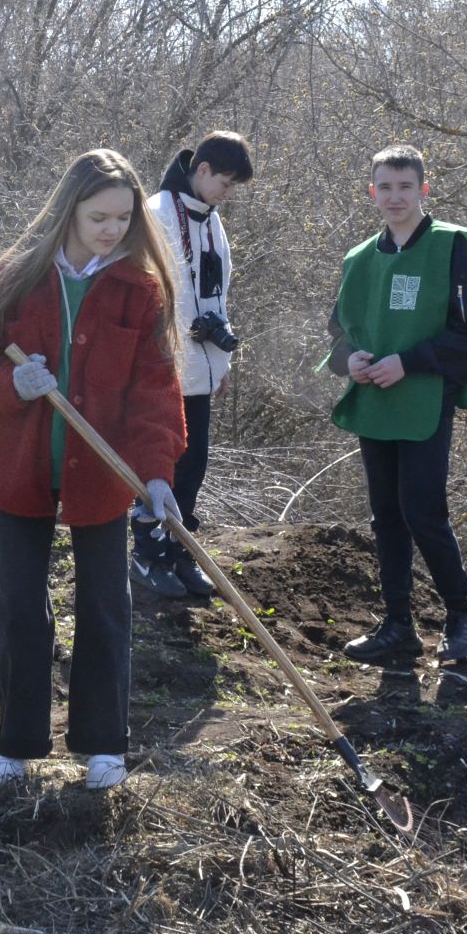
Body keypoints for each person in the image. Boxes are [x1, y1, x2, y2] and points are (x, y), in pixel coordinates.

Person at [0, 149, 186, 793]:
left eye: (122, 218)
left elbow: (154, 393)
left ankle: (104, 743)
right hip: (19, 468)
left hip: (103, 473)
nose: (112, 230)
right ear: (69, 210)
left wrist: (158, 472)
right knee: (21, 608)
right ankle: (17, 743)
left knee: (106, 605)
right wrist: (13, 382)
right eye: (98, 218)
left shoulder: (140, 291)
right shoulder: (16, 276)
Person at [323, 144, 467, 665]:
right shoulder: (359, 257)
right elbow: (339, 331)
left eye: (405, 186)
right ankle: (398, 625)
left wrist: (411, 361)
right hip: (374, 400)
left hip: (424, 397)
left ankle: (461, 616)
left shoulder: (453, 246)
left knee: (423, 510)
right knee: (386, 515)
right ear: (372, 192)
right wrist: (349, 361)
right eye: (385, 187)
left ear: (424, 188)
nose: (395, 197)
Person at [136, 131, 255, 598]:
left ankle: (180, 553)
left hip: (200, 370)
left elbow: (216, 297)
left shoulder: (210, 219)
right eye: (225, 182)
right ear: (201, 170)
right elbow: (151, 298)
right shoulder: (157, 214)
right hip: (161, 368)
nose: (228, 193)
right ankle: (148, 556)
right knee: (160, 463)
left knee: (194, 464)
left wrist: (218, 364)